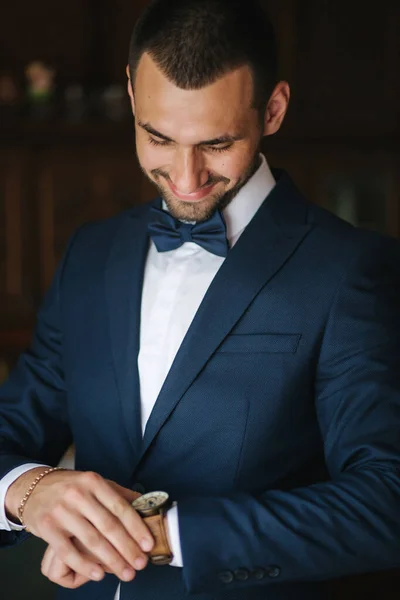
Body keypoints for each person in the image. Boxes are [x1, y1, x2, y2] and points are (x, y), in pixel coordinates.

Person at [1, 0, 400, 599]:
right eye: (159, 138)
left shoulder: (351, 269)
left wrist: (164, 535)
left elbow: (386, 500)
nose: (186, 178)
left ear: (273, 109)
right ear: (133, 95)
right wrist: (26, 491)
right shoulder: (91, 251)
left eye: (216, 144)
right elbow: (14, 427)